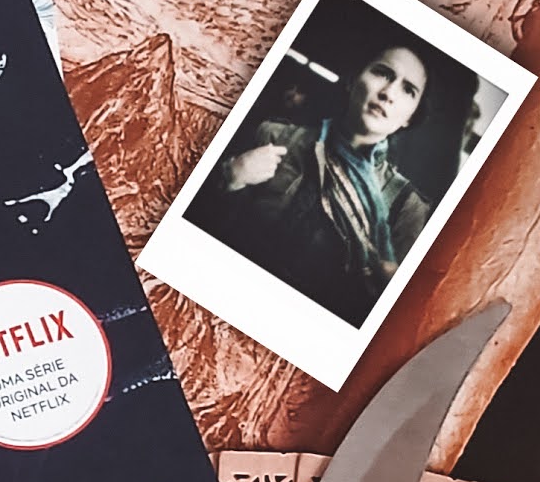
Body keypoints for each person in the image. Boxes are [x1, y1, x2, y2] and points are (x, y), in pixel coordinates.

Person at [188, 43, 438, 324]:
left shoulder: (407, 207)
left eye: (408, 90)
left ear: (410, 117)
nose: (389, 93)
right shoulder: (274, 137)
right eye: (382, 73)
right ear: (353, 79)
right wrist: (231, 178)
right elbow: (196, 232)